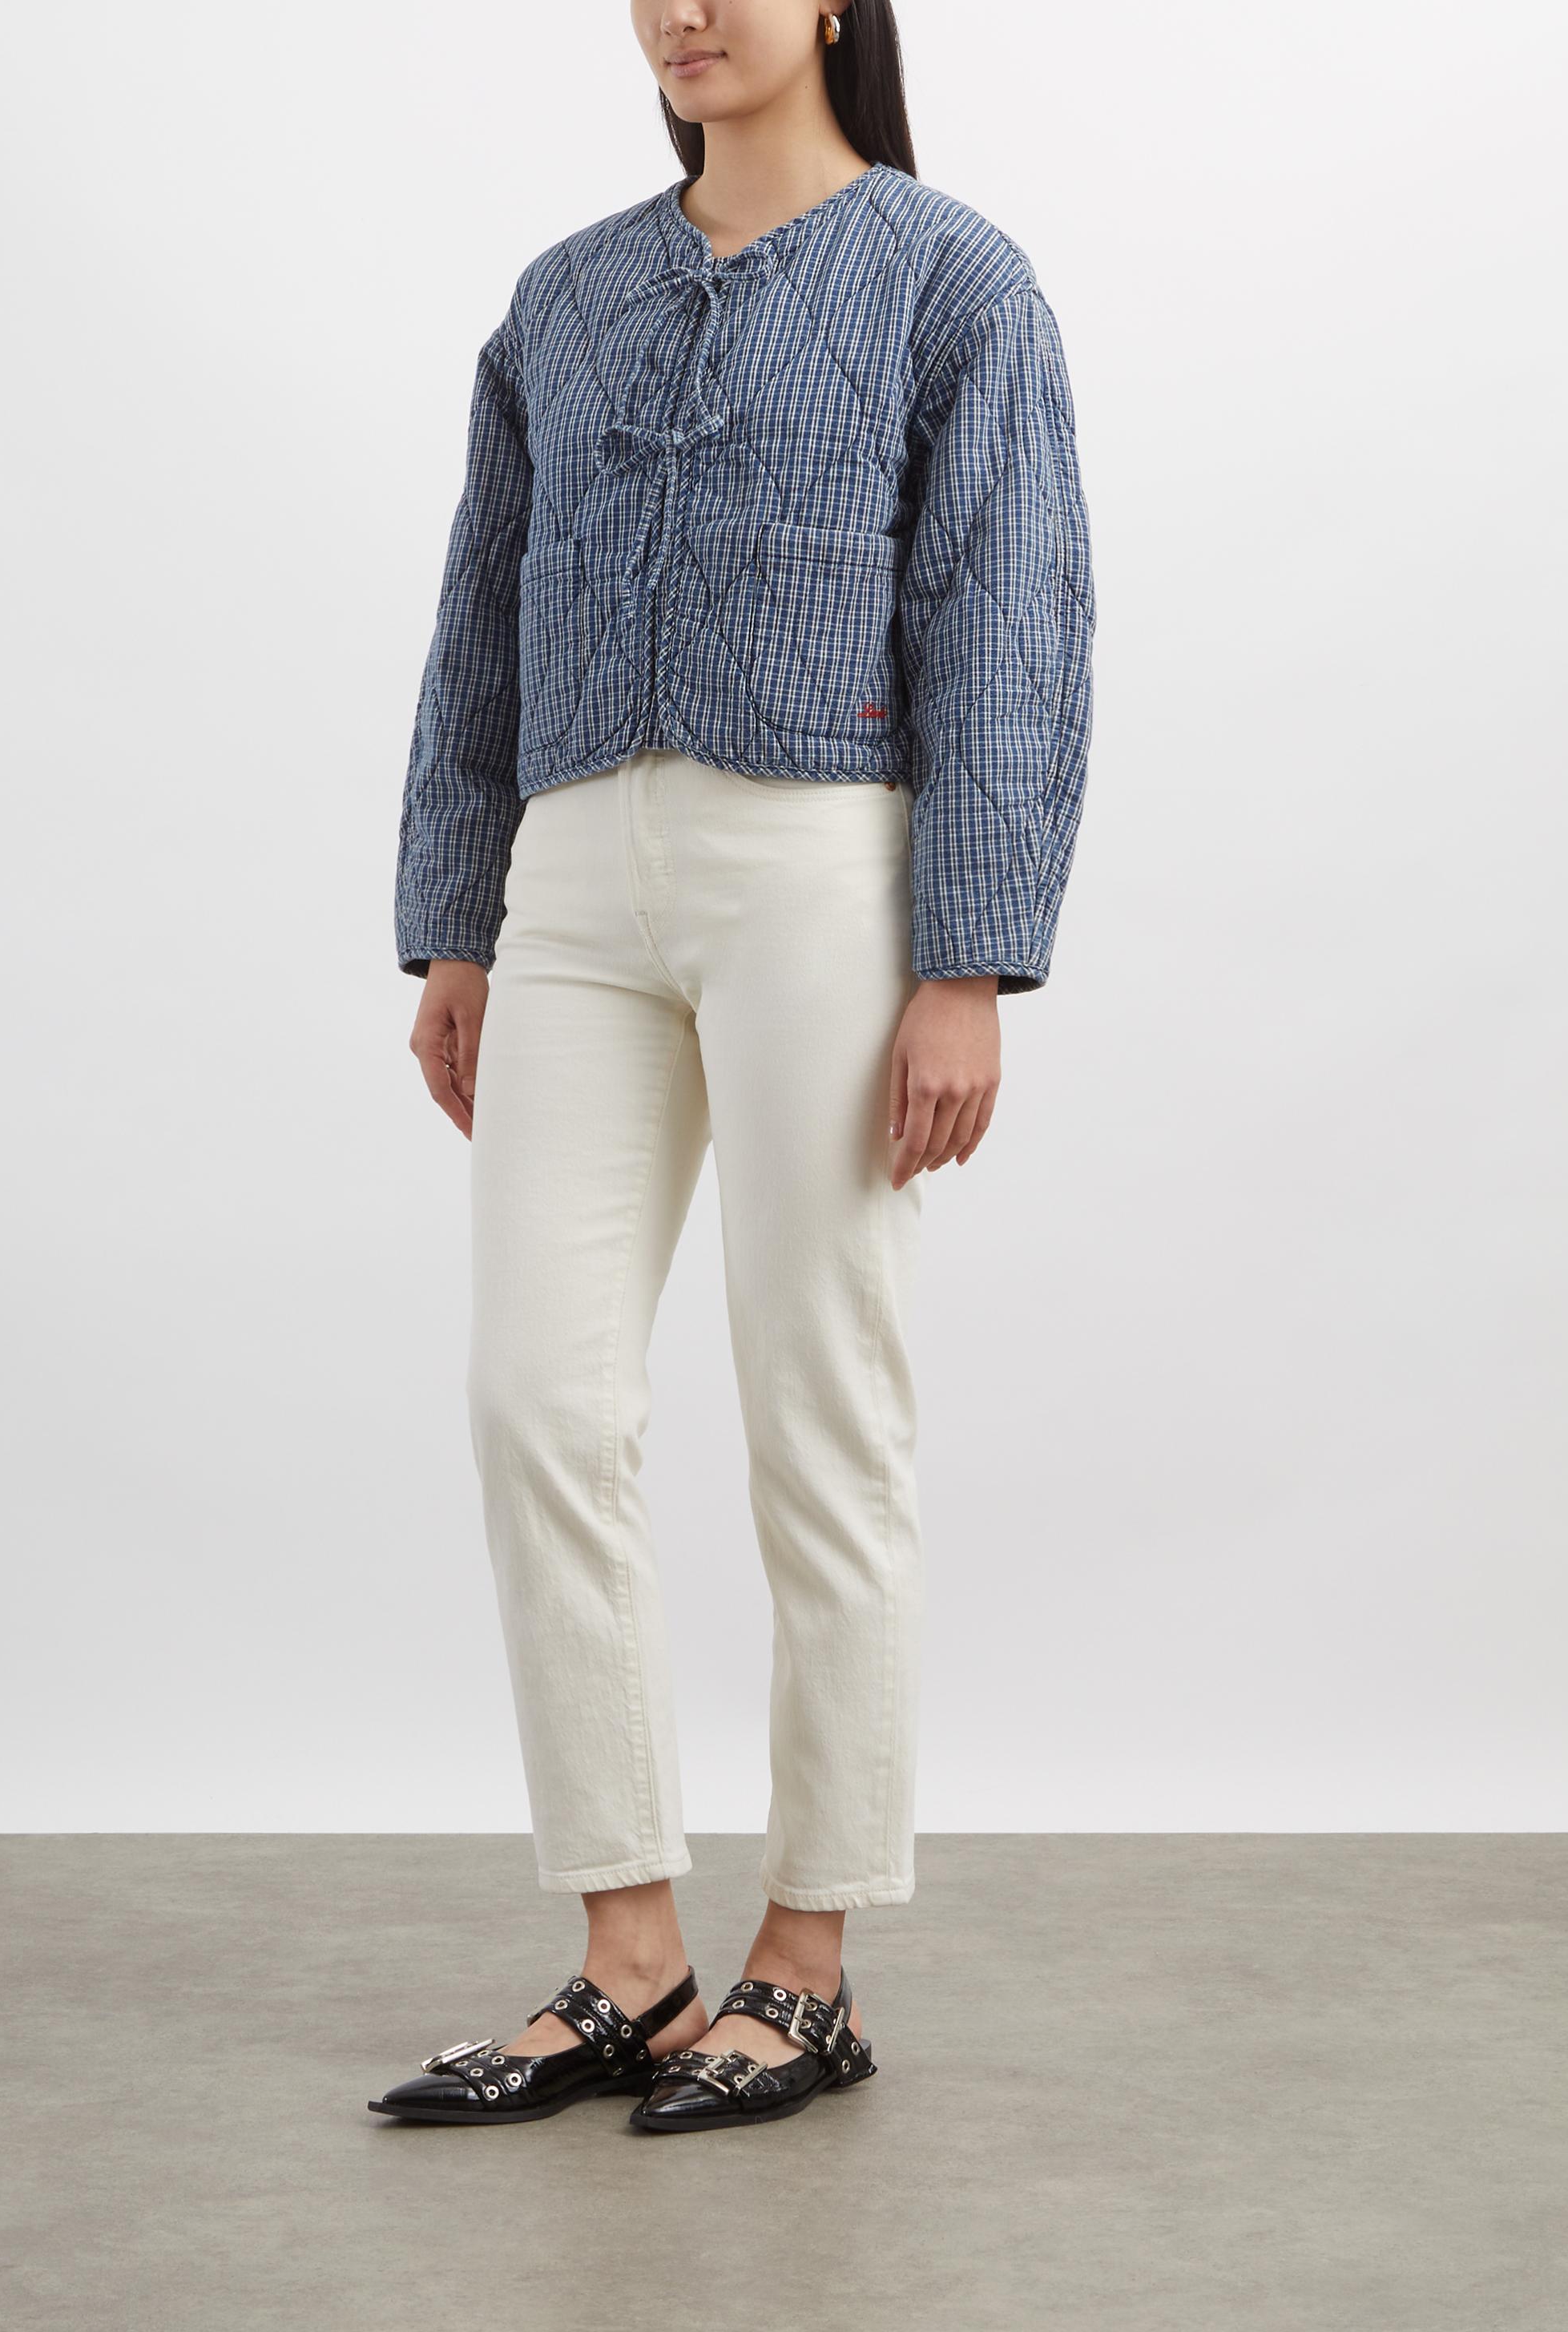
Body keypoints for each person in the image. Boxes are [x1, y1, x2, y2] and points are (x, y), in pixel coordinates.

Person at [370, 0, 1094, 2133]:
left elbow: (1009, 609)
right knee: (539, 1398)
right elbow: (478, 613)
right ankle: (628, 1954)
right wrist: (457, 917)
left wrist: (970, 957)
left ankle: (810, 1960)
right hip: (573, 878)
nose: (682, 10)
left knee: (817, 1402)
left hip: (823, 873)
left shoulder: (951, 280)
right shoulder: (564, 295)